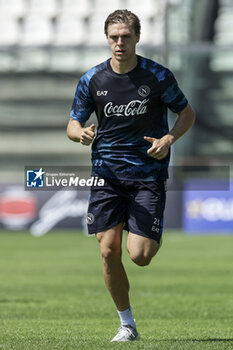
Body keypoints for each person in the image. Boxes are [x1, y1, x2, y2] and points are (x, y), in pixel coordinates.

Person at [67, 9, 195, 342]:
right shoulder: (92, 79)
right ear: (107, 39)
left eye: (126, 36)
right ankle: (127, 325)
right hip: (106, 175)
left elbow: (186, 112)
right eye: (114, 37)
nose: (120, 42)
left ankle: (150, 235)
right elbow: (72, 124)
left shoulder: (157, 76)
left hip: (147, 175)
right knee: (108, 250)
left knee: (139, 256)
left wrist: (169, 139)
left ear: (137, 37)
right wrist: (79, 133)